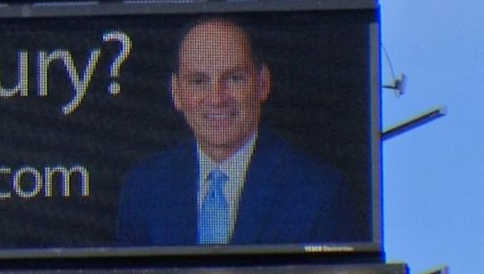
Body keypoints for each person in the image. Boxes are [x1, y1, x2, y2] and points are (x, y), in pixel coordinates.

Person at [115, 16, 359, 246]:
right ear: (176, 92)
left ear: (262, 84)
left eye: (234, 78)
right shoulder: (144, 188)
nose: (217, 98)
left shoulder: (317, 192)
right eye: (198, 81)